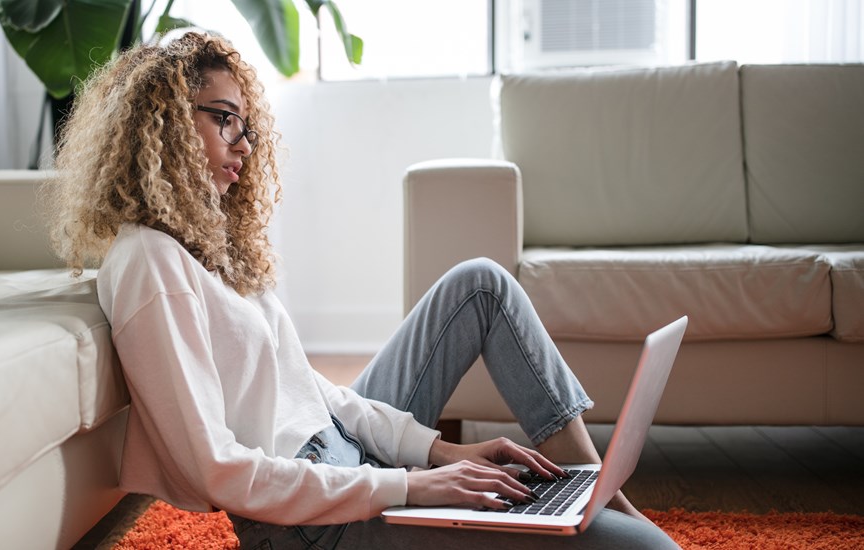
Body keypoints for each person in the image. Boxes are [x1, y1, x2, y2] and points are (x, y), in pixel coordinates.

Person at [47, 32, 678, 550]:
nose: (243, 145)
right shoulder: (149, 263)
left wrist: (438, 451)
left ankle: (595, 488)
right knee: (640, 549)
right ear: (163, 126)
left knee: (480, 284)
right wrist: (409, 486)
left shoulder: (213, 250)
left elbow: (313, 392)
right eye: (225, 121)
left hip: (350, 466)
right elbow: (215, 468)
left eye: (247, 127)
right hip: (307, 527)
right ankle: (600, 510)